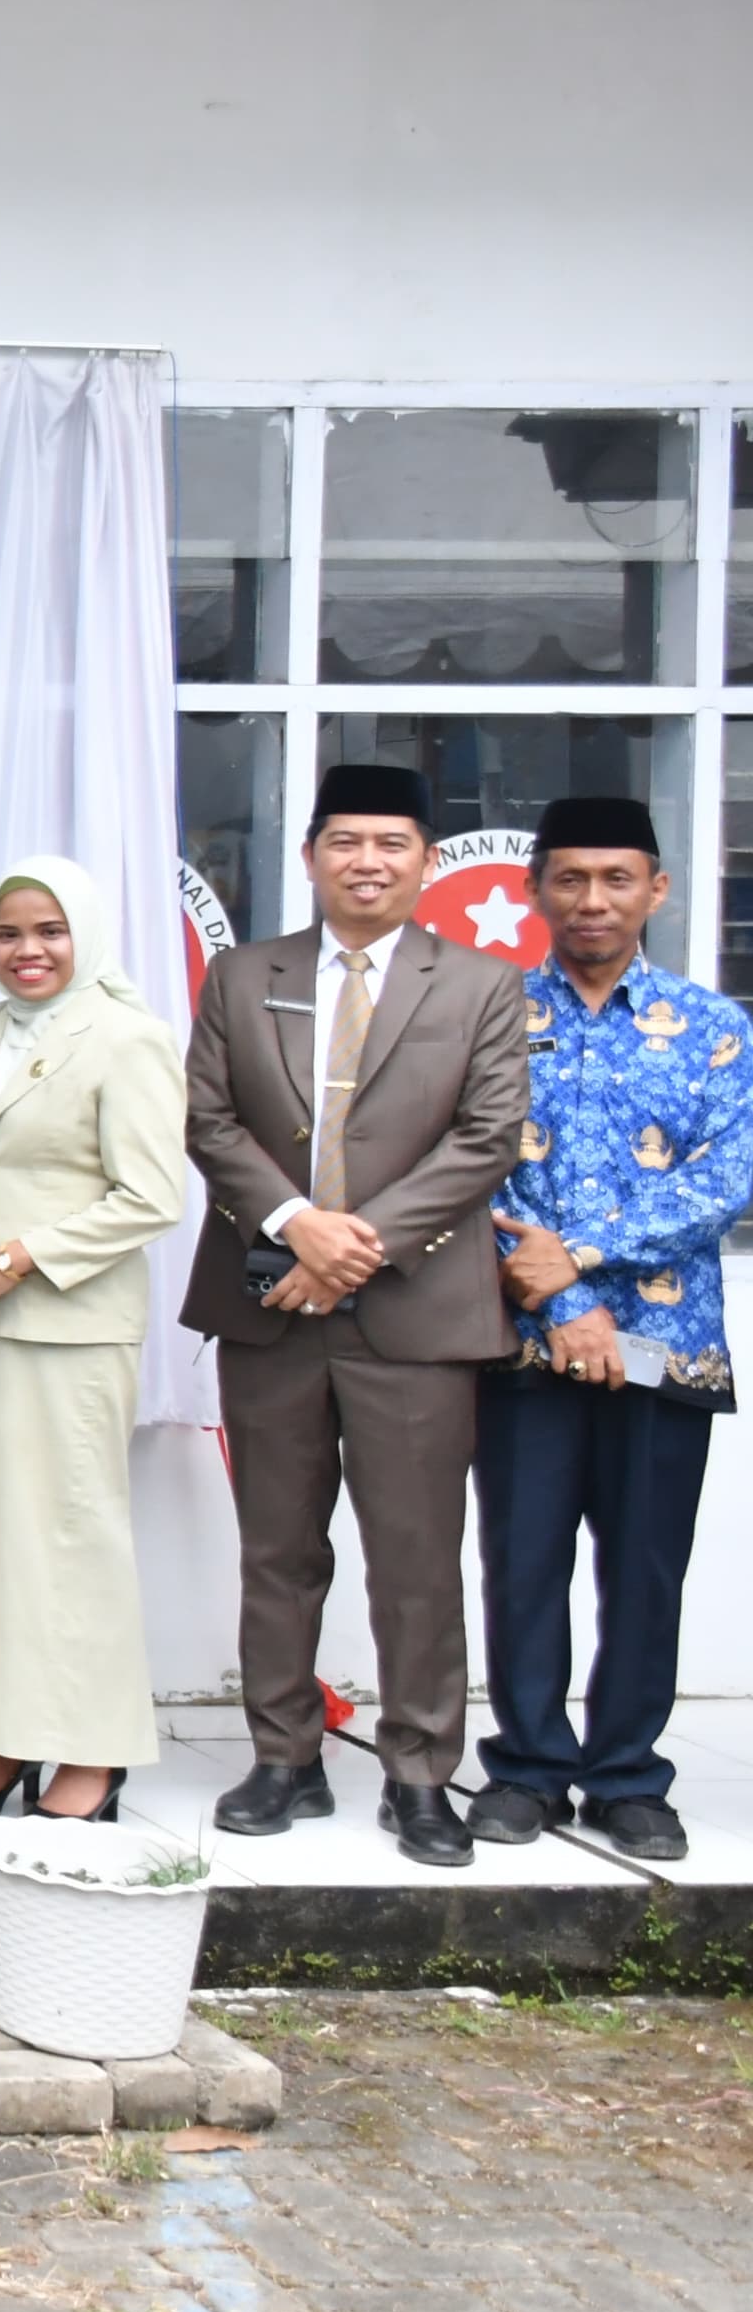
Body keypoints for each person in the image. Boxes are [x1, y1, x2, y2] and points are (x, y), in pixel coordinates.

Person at [182, 762, 530, 1868]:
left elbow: (483, 1139)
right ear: (309, 855)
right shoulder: (244, 975)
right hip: (270, 1308)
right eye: (345, 841)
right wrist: (296, 1223)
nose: (366, 861)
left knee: (415, 1557)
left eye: (390, 843)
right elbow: (209, 1121)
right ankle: (283, 1755)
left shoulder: (481, 982)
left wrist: (350, 1246)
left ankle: (419, 1772)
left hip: (416, 1315)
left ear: (424, 860)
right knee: (277, 1548)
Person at [470, 797, 750, 1862]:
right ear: (534, 887)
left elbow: (725, 1180)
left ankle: (628, 1775)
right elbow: (470, 1170)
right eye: (571, 877)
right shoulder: (487, 1016)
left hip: (667, 1344)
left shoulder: (715, 1028)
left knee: (644, 1566)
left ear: (656, 889)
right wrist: (560, 1300)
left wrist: (579, 1259)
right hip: (524, 1340)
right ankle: (527, 1768)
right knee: (523, 1560)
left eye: (616, 877)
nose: (593, 898)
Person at [0, 856, 190, 1822]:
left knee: (72, 1539)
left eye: (49, 931)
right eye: (9, 933)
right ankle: (7, 1735)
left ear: (86, 935)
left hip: (72, 1327)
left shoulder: (129, 1038)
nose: (28, 950)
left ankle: (95, 1751)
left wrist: (17, 1258)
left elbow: (151, 1196)